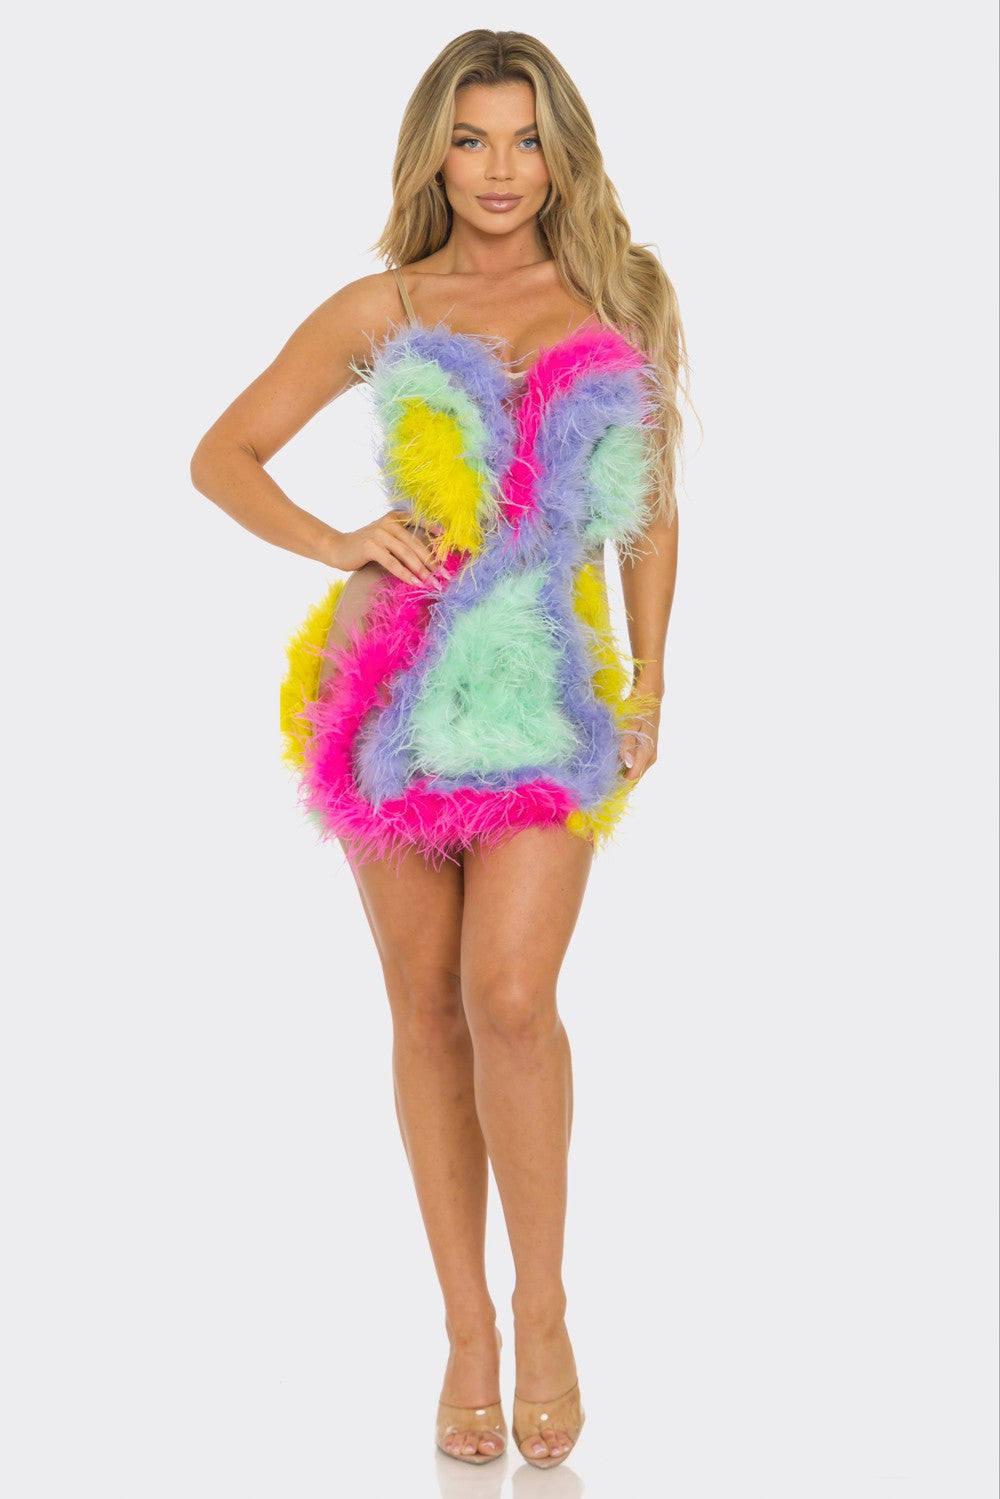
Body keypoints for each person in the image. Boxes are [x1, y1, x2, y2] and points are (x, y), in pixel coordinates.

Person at [190, 28, 689, 1471]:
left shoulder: (620, 300)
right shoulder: (386, 304)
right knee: (426, 1008)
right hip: (391, 693)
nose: (499, 168)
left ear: (563, 157)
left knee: (512, 998)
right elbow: (221, 455)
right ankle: (465, 1330)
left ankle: (545, 1311)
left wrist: (656, 677)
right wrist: (340, 541)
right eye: (472, 139)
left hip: (548, 695)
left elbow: (652, 510)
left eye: (525, 139)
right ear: (435, 155)